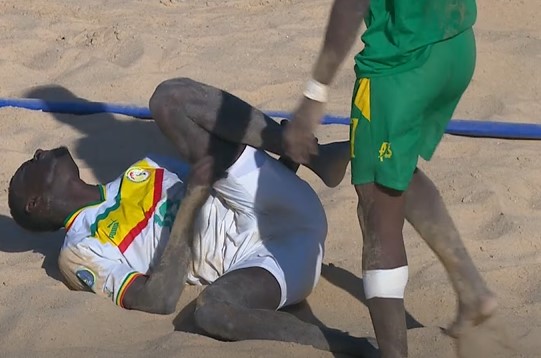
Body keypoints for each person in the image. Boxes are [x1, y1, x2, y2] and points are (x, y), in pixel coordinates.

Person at [7, 78, 378, 356]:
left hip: (270, 204)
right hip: (267, 263)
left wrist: (284, 165)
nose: (38, 150)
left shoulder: (141, 169)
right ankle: (346, 345)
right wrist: (189, 208)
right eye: (28, 165)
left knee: (168, 100)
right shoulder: (78, 250)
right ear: (35, 204)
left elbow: (227, 177)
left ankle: (313, 155)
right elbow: (158, 299)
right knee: (212, 312)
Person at [283, 1, 497, 357]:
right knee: (397, 168)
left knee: (376, 209)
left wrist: (315, 92)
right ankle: (472, 291)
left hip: (404, 62)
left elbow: (351, 5)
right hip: (456, 42)